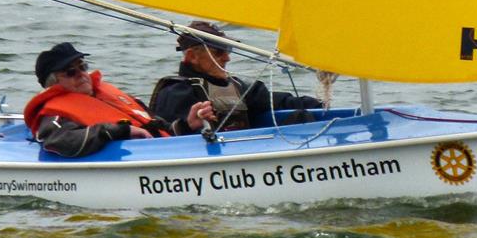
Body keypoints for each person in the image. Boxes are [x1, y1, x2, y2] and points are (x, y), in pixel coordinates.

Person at [24, 42, 213, 157]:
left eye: (83, 67)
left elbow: (157, 129)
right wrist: (120, 131)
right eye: (71, 72)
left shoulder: (114, 97)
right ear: (54, 83)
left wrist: (187, 124)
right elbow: (61, 141)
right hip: (133, 167)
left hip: (158, 157)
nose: (81, 74)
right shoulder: (54, 114)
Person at [149, 21, 322, 134]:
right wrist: (189, 125)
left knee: (302, 116)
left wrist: (321, 105)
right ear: (193, 56)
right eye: (219, 52)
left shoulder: (238, 87)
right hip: (212, 168)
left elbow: (276, 101)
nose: (227, 58)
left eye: (228, 50)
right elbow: (167, 137)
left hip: (245, 155)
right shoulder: (175, 92)